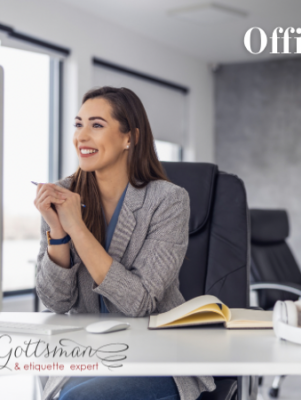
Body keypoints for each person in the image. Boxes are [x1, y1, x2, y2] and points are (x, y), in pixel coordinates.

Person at [34, 86, 215, 400]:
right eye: (78, 125)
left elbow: (138, 304)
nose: (82, 136)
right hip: (88, 351)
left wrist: (76, 227)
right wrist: (58, 232)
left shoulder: (168, 200)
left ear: (129, 137)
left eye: (97, 125)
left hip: (157, 354)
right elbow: (56, 302)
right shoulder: (62, 195)